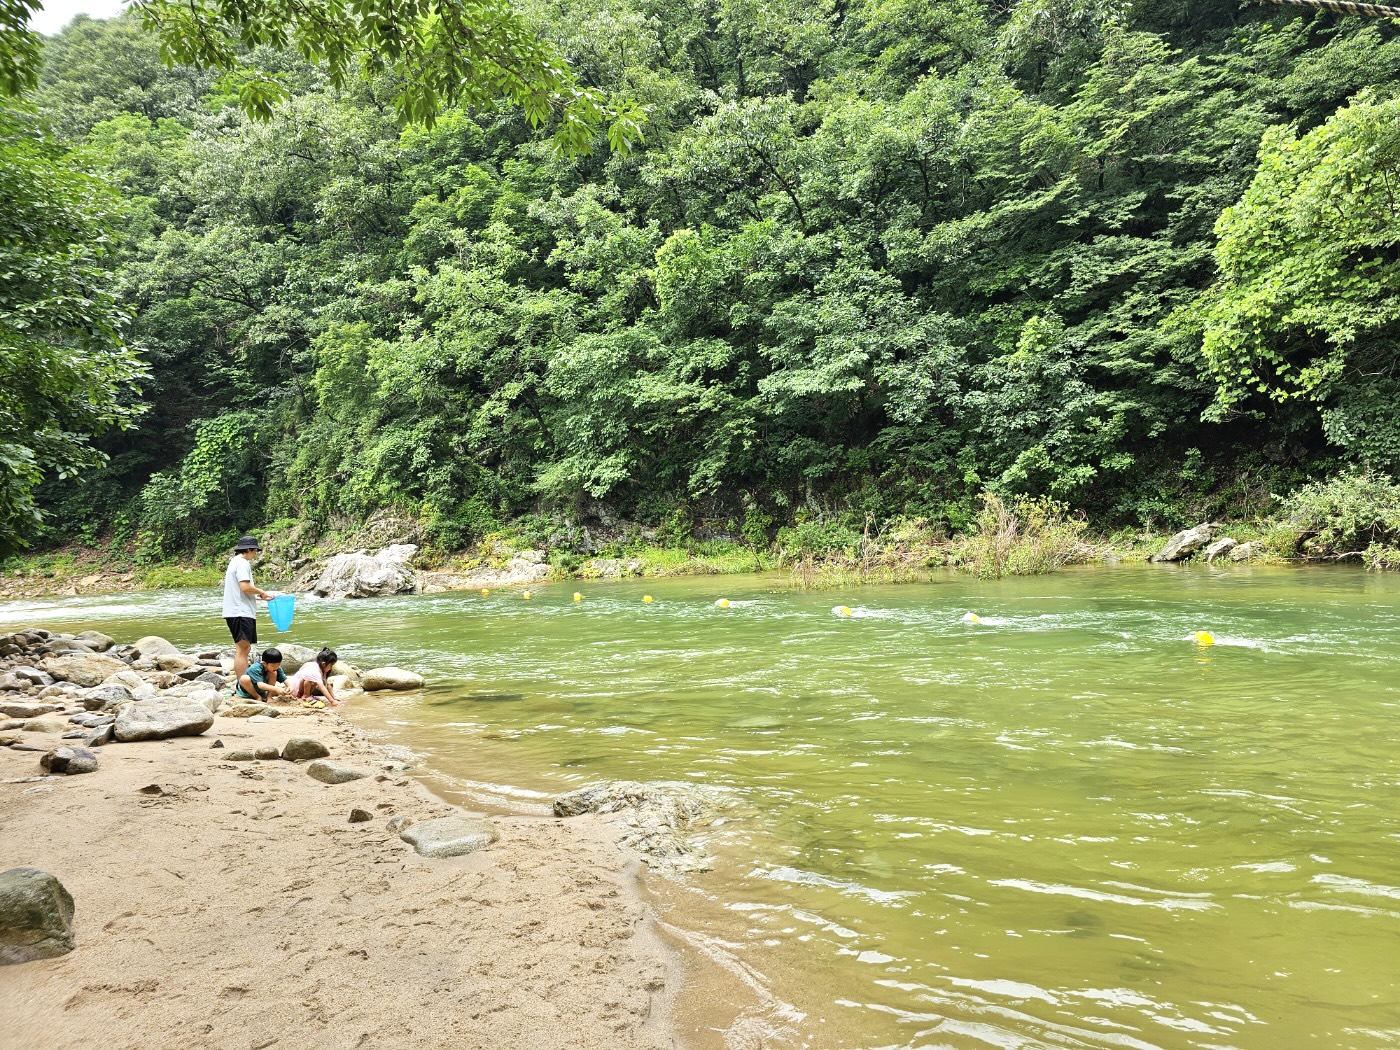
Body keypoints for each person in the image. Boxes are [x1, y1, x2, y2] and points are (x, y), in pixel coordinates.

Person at [223, 535, 276, 681]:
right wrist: (262, 592)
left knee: (244, 648)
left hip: (237, 611)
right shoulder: (242, 563)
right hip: (240, 613)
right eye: (255, 551)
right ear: (248, 549)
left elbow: (241, 592)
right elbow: (245, 587)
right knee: (243, 649)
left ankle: (244, 681)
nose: (255, 554)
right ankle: (243, 683)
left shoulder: (234, 562)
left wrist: (259, 597)